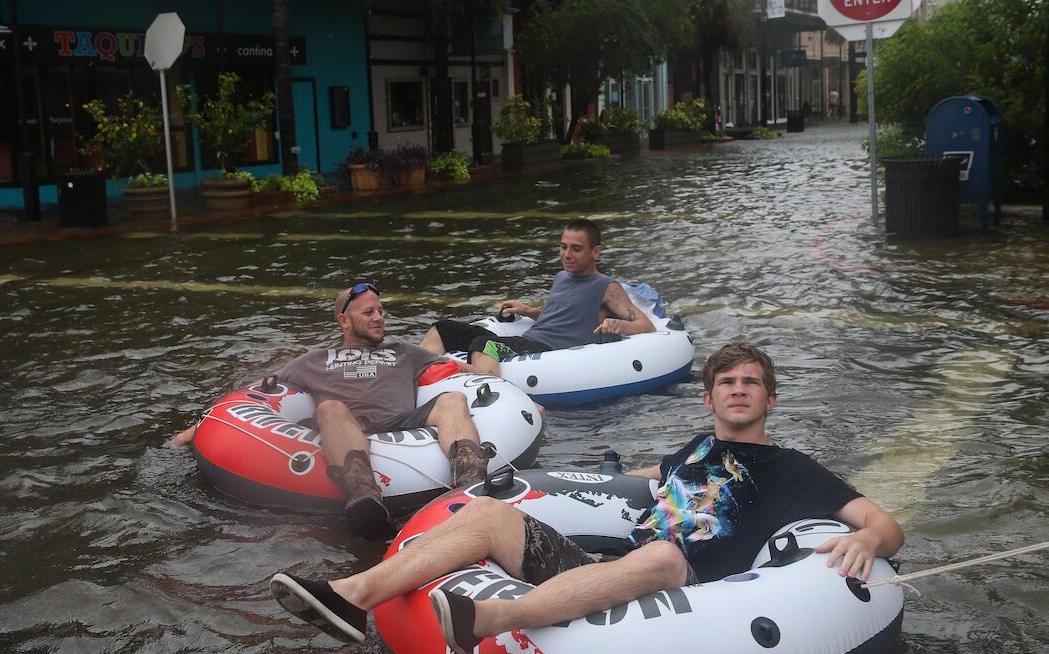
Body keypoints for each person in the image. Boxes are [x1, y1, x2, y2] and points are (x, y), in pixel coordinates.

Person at [267, 342, 905, 651]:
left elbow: (885, 525)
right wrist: (587, 475)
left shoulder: (793, 469)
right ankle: (352, 596)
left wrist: (868, 538)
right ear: (708, 397)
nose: (739, 390)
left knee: (662, 556)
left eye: (752, 383)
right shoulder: (695, 450)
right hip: (610, 568)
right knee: (488, 512)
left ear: (770, 398)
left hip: (690, 587)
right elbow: (651, 479)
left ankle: (490, 620)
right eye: (727, 382)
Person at [172, 283, 494, 539]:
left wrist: (500, 377)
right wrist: (197, 428)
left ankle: (470, 486)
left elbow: (466, 371)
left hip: (401, 422)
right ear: (344, 321)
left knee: (453, 400)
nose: (379, 318)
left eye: (381, 311)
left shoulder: (405, 351)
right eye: (368, 312)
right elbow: (254, 392)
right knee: (330, 408)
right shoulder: (313, 359)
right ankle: (365, 501)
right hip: (347, 425)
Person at [419, 219, 655, 376]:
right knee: (444, 328)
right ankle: (418, 373)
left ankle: (478, 387)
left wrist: (619, 324)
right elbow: (561, 317)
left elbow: (646, 325)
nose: (566, 254)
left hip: (548, 351)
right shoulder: (562, 277)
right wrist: (528, 311)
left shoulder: (606, 287)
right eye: (563, 247)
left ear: (596, 252)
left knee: (484, 345)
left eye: (576, 248)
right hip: (529, 340)